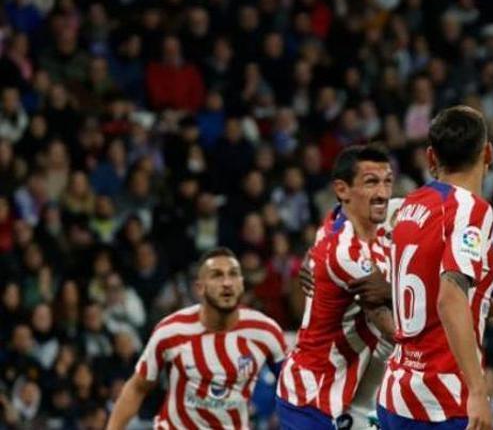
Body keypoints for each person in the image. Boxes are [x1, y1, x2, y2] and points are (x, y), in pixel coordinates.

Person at [378, 107, 493, 430]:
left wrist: (486, 305)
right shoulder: (471, 210)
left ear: (431, 157)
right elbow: (449, 298)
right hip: (442, 399)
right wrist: (478, 390)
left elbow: (426, 295)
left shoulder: (411, 204)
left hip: (397, 393)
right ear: (488, 152)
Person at [275, 145, 398, 429]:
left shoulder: (368, 220)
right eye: (371, 182)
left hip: (349, 395)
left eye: (387, 181)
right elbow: (397, 327)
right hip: (310, 398)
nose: (383, 193)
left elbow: (415, 208)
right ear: (342, 190)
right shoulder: (347, 254)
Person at [106, 249, 287, 430]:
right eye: (216, 275)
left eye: (233, 275)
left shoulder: (265, 331)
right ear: (199, 287)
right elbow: (137, 387)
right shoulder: (171, 330)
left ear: (241, 283)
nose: (226, 283)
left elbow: (294, 388)